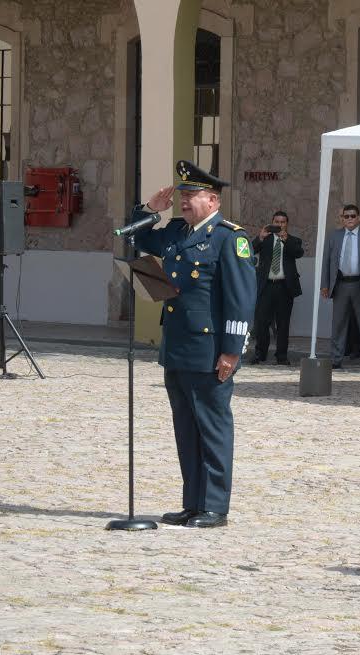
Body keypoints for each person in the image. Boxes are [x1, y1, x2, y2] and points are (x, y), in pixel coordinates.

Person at [131, 160, 256, 529]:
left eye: (191, 195)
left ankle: (215, 507)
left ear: (213, 200)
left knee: (212, 429)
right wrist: (150, 210)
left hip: (210, 350)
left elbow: (240, 300)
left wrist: (232, 351)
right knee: (186, 429)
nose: (183, 201)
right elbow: (136, 236)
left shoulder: (230, 238)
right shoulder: (175, 232)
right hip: (177, 348)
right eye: (182, 195)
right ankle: (193, 503)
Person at [321, 204, 360, 370]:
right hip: (340, 285)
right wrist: (325, 284)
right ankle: (336, 358)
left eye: (352, 216)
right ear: (342, 218)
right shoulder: (334, 236)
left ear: (359, 218)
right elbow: (326, 261)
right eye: (346, 216)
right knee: (338, 324)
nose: (349, 219)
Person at [250, 210, 304, 365]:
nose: (279, 224)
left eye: (282, 222)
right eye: (276, 222)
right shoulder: (265, 239)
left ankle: (281, 356)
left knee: (283, 323)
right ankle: (260, 354)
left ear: (287, 224)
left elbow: (298, 253)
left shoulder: (293, 240)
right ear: (272, 223)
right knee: (261, 323)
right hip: (266, 286)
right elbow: (250, 251)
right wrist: (260, 237)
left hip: (284, 287)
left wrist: (286, 240)